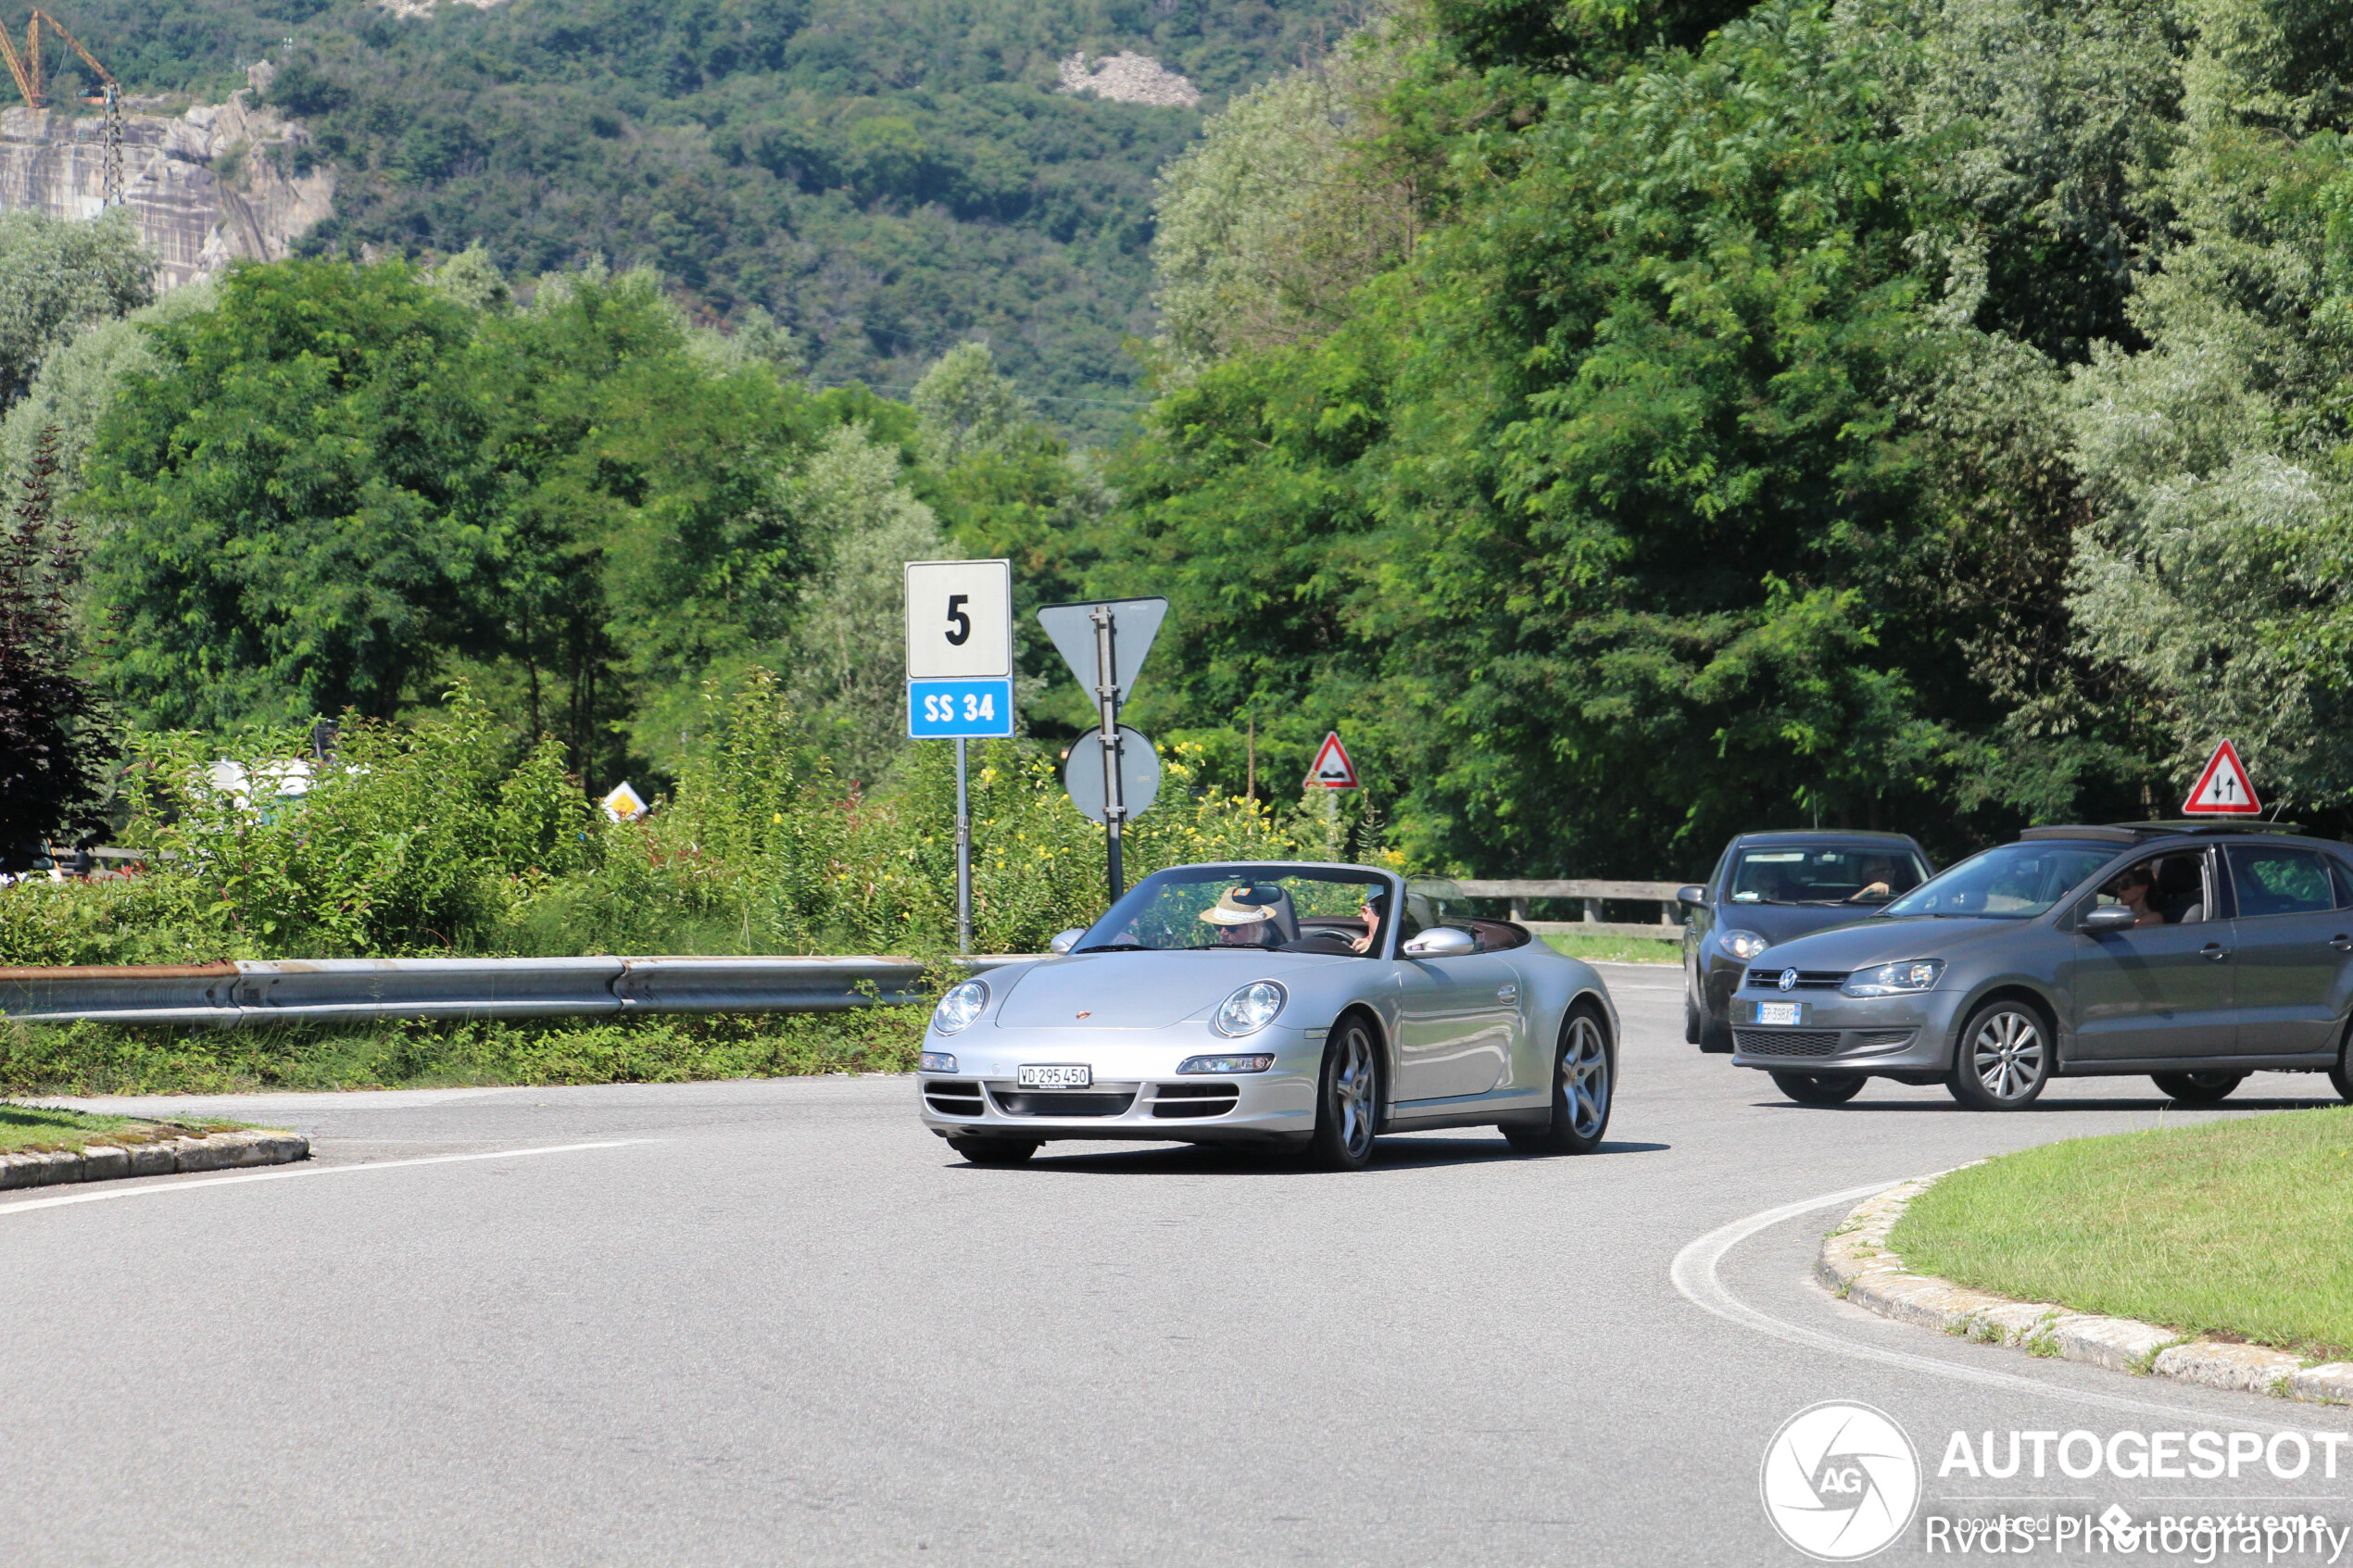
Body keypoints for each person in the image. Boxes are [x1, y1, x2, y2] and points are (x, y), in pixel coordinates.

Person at [2101, 865, 2165, 928]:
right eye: (2117, 885)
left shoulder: (2155, 918)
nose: (2119, 890)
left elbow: (2125, 931)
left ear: (2143, 888)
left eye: (2125, 884)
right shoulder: (2123, 914)